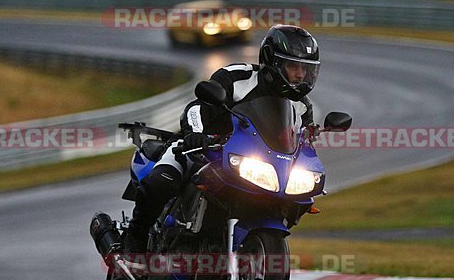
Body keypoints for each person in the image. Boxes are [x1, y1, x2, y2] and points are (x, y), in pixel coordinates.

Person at [122, 24, 321, 254]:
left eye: (305, 69)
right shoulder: (237, 77)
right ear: (273, 62)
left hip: (256, 164)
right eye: (293, 66)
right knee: (161, 182)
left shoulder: (302, 106)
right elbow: (196, 108)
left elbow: (302, 144)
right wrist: (196, 135)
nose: (300, 75)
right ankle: (133, 241)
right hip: (205, 149)